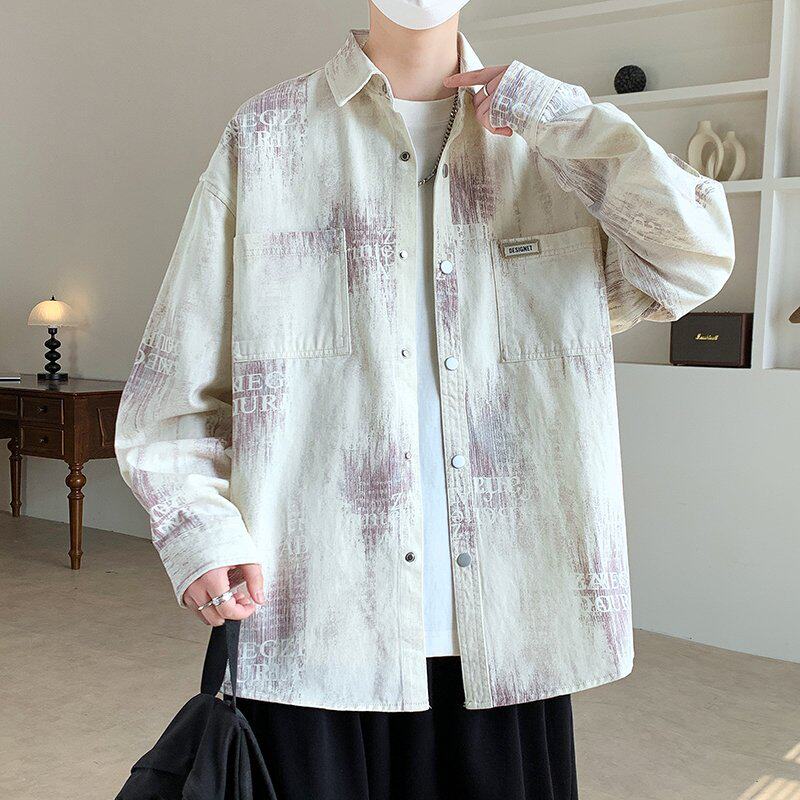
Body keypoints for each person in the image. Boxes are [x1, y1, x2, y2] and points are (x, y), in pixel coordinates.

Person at [114, 0, 735, 797]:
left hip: (511, 625)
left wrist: (562, 119)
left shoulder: (550, 144)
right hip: (314, 618)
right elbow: (175, 383)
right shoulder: (266, 137)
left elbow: (693, 260)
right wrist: (197, 530)